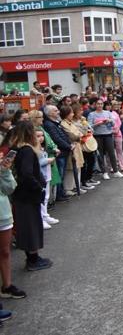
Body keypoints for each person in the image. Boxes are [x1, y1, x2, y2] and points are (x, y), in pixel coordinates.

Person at [11, 121, 51, 271]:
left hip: (23, 194)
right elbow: (27, 174)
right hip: (27, 195)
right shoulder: (27, 150)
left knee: (29, 225)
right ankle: (32, 260)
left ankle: (33, 257)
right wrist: (39, 187)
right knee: (30, 227)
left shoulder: (18, 148)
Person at [0, 150, 26, 299]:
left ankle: (7, 285)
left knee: (5, 252)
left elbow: (9, 188)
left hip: (3, 214)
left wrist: (4, 170)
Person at [87, 99, 123, 180]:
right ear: (95, 105)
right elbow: (89, 126)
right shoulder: (91, 114)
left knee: (111, 153)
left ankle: (116, 171)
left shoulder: (107, 113)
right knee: (100, 155)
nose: (100, 105)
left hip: (108, 135)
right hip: (98, 136)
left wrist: (110, 120)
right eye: (98, 104)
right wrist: (97, 124)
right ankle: (104, 172)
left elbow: (114, 123)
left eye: (101, 104)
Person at [42, 105, 73, 201]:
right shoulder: (49, 124)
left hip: (64, 151)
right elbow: (56, 139)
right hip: (60, 152)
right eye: (55, 110)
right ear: (50, 113)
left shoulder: (55, 123)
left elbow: (63, 135)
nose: (58, 112)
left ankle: (61, 192)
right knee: (60, 173)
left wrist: (69, 144)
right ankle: (59, 194)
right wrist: (68, 146)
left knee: (62, 173)